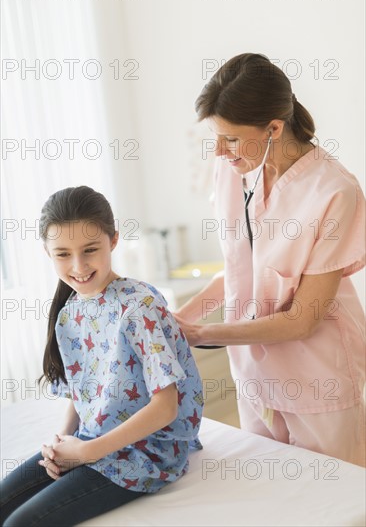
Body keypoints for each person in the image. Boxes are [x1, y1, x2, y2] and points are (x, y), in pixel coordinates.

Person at [174, 53, 365, 467]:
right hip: (254, 372)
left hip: (318, 377)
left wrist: (200, 334)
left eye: (231, 138)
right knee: (271, 492)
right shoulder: (234, 169)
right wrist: (176, 321)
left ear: (275, 127)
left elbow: (303, 319)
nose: (220, 150)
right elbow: (241, 270)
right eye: (215, 137)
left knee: (332, 501)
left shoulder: (334, 191)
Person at [0, 186, 203, 527]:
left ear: (114, 240)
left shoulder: (139, 307)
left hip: (147, 452)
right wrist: (62, 442)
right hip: (90, 440)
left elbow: (166, 406)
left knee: (20, 524)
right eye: (62, 254)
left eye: (90, 249)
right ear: (47, 253)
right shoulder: (70, 312)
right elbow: (85, 392)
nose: (78, 266)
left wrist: (88, 452)